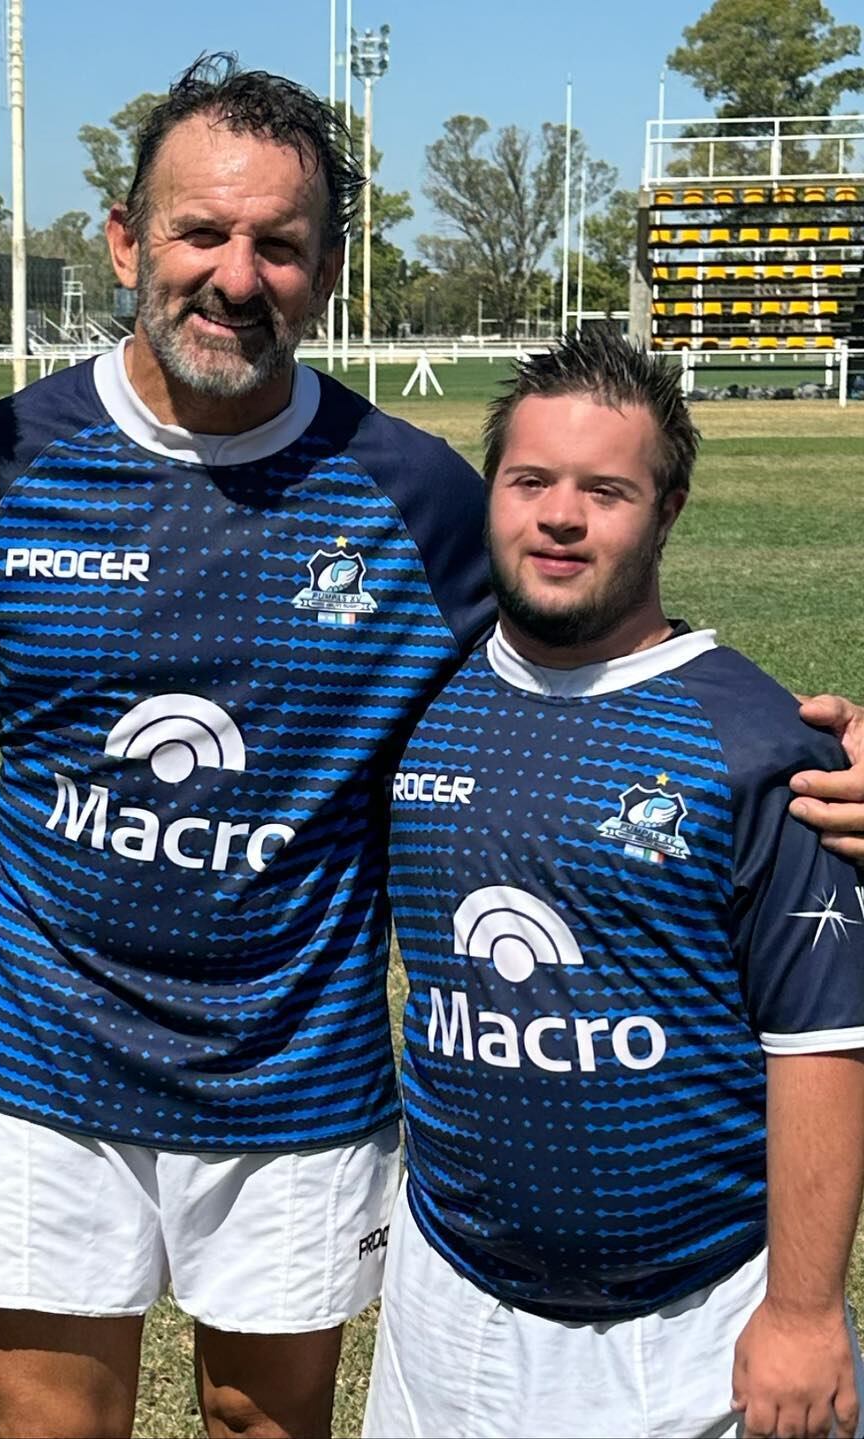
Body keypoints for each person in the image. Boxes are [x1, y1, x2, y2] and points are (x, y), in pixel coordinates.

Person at [0, 57, 864, 1439]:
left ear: (324, 270)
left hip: (301, 1069)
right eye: (200, 231)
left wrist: (804, 740)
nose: (234, 273)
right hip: (46, 1059)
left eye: (278, 243)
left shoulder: (417, 493)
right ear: (124, 239)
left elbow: (583, 639)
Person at [364, 329, 864, 1439]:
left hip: (694, 1323)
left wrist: (802, 1306)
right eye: (531, 480)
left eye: (606, 489)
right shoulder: (415, 694)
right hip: (449, 1300)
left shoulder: (754, 742)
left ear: (668, 510)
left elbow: (822, 1044)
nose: (559, 515)